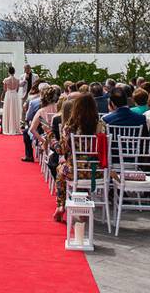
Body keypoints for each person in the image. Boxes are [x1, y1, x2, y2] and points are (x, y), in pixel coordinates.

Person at [53, 93, 105, 222]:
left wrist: (51, 138)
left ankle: (60, 205)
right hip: (96, 172)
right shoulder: (101, 126)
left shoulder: (70, 128)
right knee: (83, 169)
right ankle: (83, 206)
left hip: (75, 171)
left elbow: (61, 150)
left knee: (60, 170)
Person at [21, 82, 50, 162]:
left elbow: (28, 117)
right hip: (51, 129)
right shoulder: (56, 103)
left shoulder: (34, 102)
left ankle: (29, 155)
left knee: (26, 132)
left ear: (40, 91)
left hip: (40, 129)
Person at [1, 66, 22, 135]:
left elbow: (4, 90)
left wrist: (2, 96)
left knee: (8, 111)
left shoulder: (6, 80)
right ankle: (15, 128)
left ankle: (7, 128)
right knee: (15, 111)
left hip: (8, 96)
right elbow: (18, 90)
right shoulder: (17, 80)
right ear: (14, 72)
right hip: (15, 96)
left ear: (8, 72)